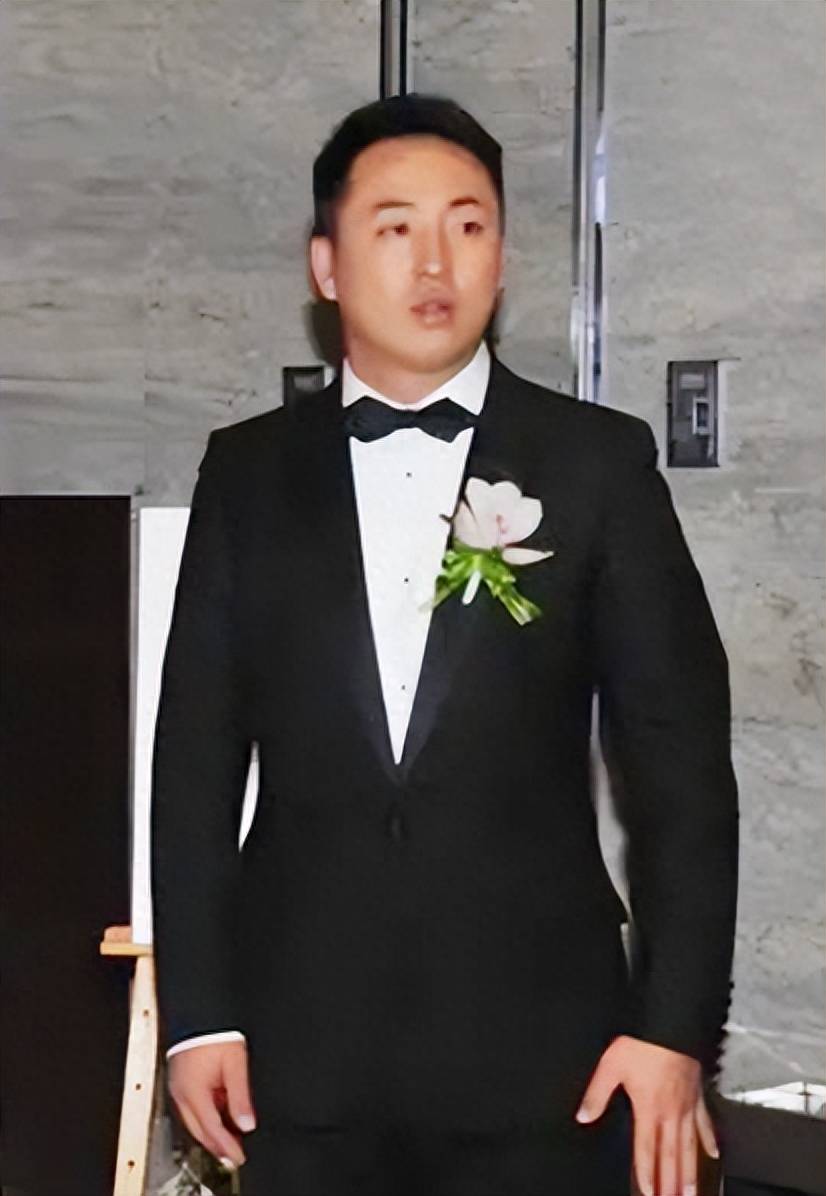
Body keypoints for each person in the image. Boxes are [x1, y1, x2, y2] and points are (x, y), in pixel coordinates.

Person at [150, 92, 739, 1196]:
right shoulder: (247, 475)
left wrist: (673, 1029)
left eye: (468, 226)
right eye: (395, 227)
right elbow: (193, 763)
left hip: (550, 1064)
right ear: (326, 266)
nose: (436, 261)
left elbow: (684, 771)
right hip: (297, 1059)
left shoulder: (597, 466)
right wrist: (199, 1016)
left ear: (501, 259)